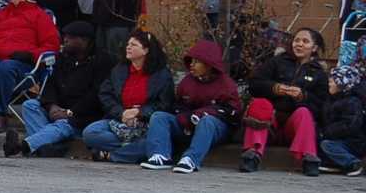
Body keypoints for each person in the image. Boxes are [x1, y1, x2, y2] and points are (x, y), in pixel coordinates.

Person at [4, 20, 115, 158]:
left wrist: (70, 112)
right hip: (58, 110)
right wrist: (51, 106)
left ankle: (23, 145)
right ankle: (49, 148)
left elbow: (95, 96)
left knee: (62, 125)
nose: (65, 40)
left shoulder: (102, 62)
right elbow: (51, 85)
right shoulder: (63, 58)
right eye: (65, 36)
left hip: (81, 117)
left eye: (70, 37)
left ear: (84, 40)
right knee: (30, 105)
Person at [141, 39, 240, 173]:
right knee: (159, 117)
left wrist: (203, 113)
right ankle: (160, 155)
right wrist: (185, 117)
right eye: (191, 61)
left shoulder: (226, 85)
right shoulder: (187, 82)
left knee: (207, 121)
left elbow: (232, 112)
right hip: (188, 124)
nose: (192, 65)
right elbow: (179, 105)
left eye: (197, 62)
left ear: (209, 65)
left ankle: (191, 159)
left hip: (215, 127)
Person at [0, 0, 60, 133]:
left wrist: (31, 55)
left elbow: (51, 44)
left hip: (24, 64)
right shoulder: (2, 14)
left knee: (6, 67)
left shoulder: (40, 16)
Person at [240, 28, 327, 174]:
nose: (299, 44)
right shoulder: (276, 62)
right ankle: (252, 155)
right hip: (270, 122)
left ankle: (308, 158)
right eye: (296, 40)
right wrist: (274, 88)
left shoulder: (319, 73)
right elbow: (254, 84)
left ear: (315, 48)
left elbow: (322, 104)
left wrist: (302, 96)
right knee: (260, 104)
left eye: (305, 41)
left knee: (304, 112)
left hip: (293, 128)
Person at [82, 30, 174, 163]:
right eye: (128, 44)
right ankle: (130, 150)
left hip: (145, 124)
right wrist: (122, 113)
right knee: (90, 133)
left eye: (134, 45)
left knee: (151, 142)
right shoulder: (119, 70)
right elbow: (105, 94)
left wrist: (139, 113)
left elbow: (165, 104)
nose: (128, 47)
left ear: (146, 50)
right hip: (119, 120)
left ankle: (111, 155)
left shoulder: (161, 75)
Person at [317, 65, 366, 177]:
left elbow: (350, 124)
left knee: (327, 145)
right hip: (338, 138)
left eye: (332, 81)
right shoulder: (332, 99)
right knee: (322, 142)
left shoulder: (352, 101)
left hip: (353, 142)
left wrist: (328, 131)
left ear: (342, 84)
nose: (329, 83)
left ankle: (353, 163)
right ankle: (336, 164)